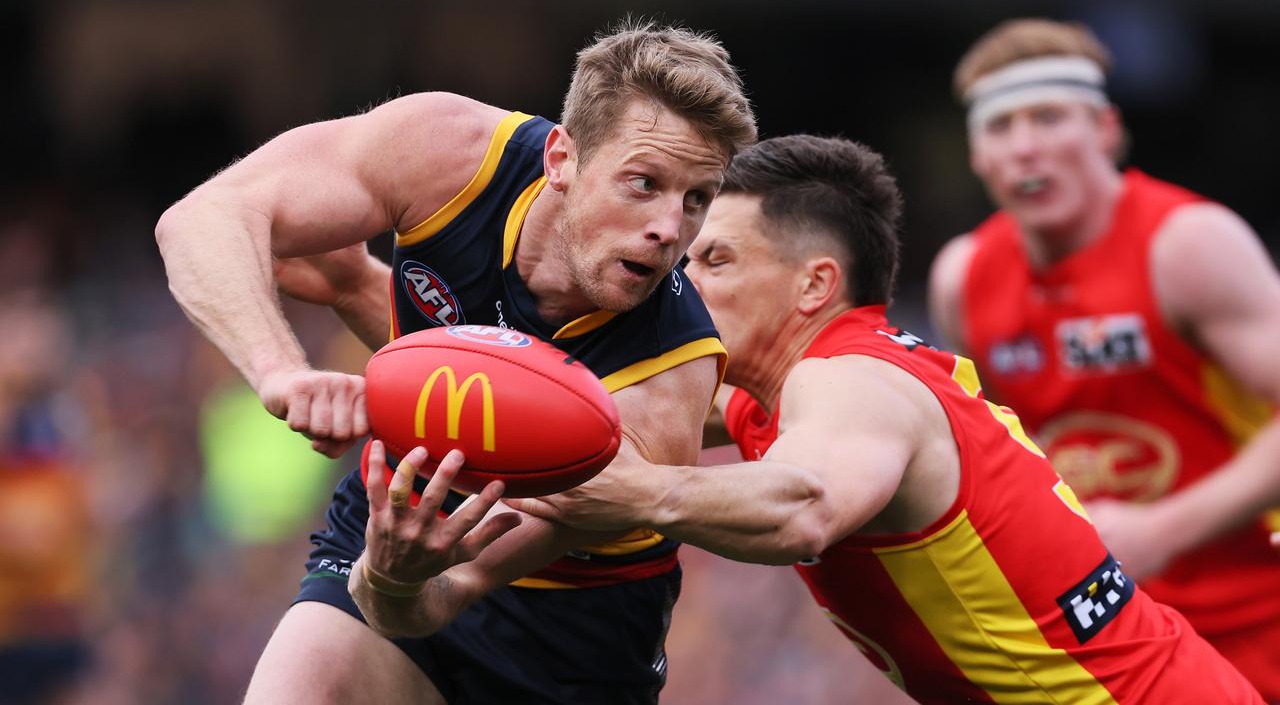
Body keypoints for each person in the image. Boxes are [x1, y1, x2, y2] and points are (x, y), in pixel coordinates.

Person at [509, 134, 1264, 703]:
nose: (683, 277)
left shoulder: (853, 382)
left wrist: (639, 492)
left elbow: (804, 507)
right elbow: (592, 404)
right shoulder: (778, 389)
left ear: (814, 286)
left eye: (717, 260)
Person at [155, 20, 756, 704]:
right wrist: (280, 370)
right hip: (397, 519)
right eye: (644, 182)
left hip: (571, 637)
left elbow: (442, 594)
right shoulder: (449, 154)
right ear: (562, 159)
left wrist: (392, 579)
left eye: (697, 199)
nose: (669, 227)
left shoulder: (670, 377)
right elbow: (203, 219)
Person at [927, 19, 1280, 697]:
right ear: (976, 156)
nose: (1026, 147)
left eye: (1051, 117)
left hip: (1256, 621)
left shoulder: (1187, 246)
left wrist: (1163, 528)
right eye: (1000, 127)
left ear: (1108, 130)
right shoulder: (962, 279)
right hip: (1103, 638)